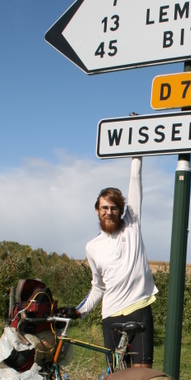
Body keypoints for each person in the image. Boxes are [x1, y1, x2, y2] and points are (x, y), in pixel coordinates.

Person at [62, 157, 157, 368]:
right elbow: (98, 287)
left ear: (121, 210)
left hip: (139, 308)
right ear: (97, 210)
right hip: (111, 315)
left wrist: (137, 153)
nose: (109, 212)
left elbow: (135, 179)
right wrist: (80, 312)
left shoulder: (132, 224)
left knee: (141, 375)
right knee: (116, 377)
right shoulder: (92, 247)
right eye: (104, 208)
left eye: (114, 208)